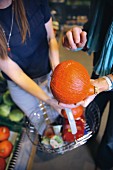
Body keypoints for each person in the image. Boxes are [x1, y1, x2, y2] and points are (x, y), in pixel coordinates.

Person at [62, 0, 113, 169]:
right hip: (102, 67)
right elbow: (99, 29)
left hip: (104, 78)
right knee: (92, 110)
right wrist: (81, 38)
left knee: (112, 137)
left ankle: (103, 163)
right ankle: (88, 136)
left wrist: (105, 82)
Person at [0, 0, 63, 135]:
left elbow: (51, 38)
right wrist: (49, 100)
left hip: (47, 73)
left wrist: (58, 75)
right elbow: (16, 74)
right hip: (20, 86)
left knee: (58, 117)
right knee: (42, 125)